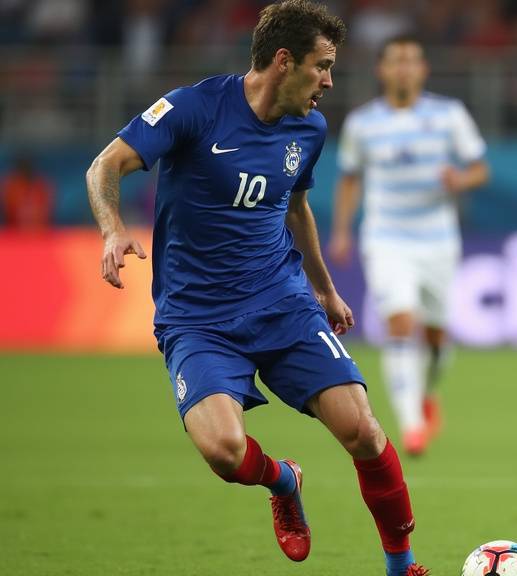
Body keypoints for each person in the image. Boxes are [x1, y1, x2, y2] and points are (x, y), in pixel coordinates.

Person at [84, 2, 428, 574]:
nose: (329, 81)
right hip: (197, 318)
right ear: (284, 61)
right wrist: (113, 229)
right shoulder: (194, 108)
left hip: (281, 302)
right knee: (224, 453)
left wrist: (324, 289)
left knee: (364, 431)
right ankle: (284, 481)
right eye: (322, 66)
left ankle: (403, 566)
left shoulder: (310, 129)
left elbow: (296, 207)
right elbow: (104, 165)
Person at [329, 33, 489, 457]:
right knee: (400, 322)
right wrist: (342, 231)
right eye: (395, 61)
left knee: (436, 337)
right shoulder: (363, 123)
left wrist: (460, 179)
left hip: (438, 240)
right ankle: (412, 425)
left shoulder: (448, 115)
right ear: (381, 70)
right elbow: (349, 179)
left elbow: (480, 169)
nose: (403, 69)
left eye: (411, 61)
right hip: (386, 238)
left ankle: (427, 393)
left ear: (423, 70)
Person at [1, 154, 54, 231]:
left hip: (41, 231)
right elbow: (8, 213)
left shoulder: (42, 186)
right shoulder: (11, 187)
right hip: (14, 231)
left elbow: (47, 212)